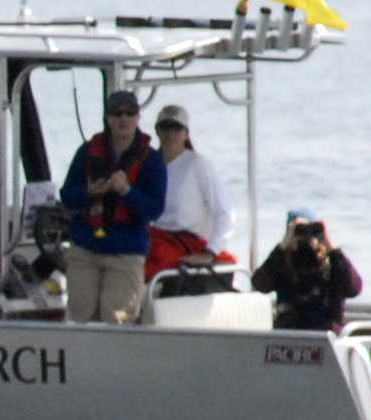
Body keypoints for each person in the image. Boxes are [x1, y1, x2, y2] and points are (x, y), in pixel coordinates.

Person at [57, 90, 167, 323]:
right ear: (108, 118)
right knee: (80, 316)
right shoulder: (87, 152)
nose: (123, 119)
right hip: (86, 248)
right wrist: (89, 191)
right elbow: (67, 198)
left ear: (138, 117)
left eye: (130, 113)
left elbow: (155, 209)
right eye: (117, 113)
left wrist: (127, 191)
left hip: (125, 252)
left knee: (118, 320)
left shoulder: (152, 160)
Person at [143, 105, 237, 281]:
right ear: (157, 131)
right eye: (165, 127)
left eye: (176, 128)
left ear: (186, 133)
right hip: (154, 240)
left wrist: (210, 252)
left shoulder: (199, 165)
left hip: (187, 243)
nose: (170, 134)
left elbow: (225, 213)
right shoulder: (148, 166)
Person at [251, 208, 363, 331]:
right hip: (291, 336)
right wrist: (283, 245)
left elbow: (354, 289)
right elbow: (260, 284)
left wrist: (331, 246)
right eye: (299, 230)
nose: (304, 237)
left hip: (325, 336)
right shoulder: (281, 263)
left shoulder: (333, 264)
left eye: (310, 230)